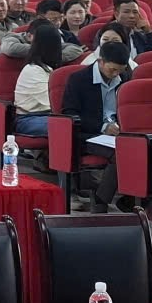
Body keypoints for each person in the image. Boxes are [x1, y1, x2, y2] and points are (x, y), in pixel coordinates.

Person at [63, 41, 132, 212]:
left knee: (143, 147)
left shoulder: (124, 77)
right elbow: (70, 114)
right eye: (112, 70)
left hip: (119, 133)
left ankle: (129, 199)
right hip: (89, 135)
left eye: (120, 70)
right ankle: (101, 199)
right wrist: (102, 127)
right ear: (100, 61)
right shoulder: (79, 79)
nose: (115, 74)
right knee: (122, 152)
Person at [13, 22, 64, 138]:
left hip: (50, 116)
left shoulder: (50, 68)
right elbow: (49, 104)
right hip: (29, 118)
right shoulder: (33, 70)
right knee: (67, 126)